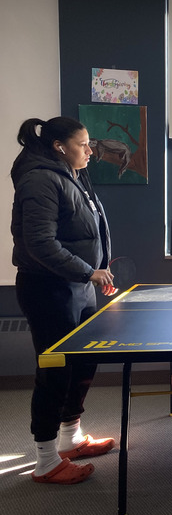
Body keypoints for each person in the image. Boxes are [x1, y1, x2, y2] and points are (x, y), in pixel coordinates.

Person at [11, 117, 118, 484]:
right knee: (55, 369)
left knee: (84, 363)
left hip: (77, 286)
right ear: (60, 146)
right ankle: (45, 460)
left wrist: (95, 272)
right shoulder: (40, 179)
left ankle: (71, 438)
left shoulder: (71, 173)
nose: (91, 151)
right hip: (48, 290)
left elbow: (85, 229)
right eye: (84, 144)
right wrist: (88, 271)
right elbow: (40, 243)